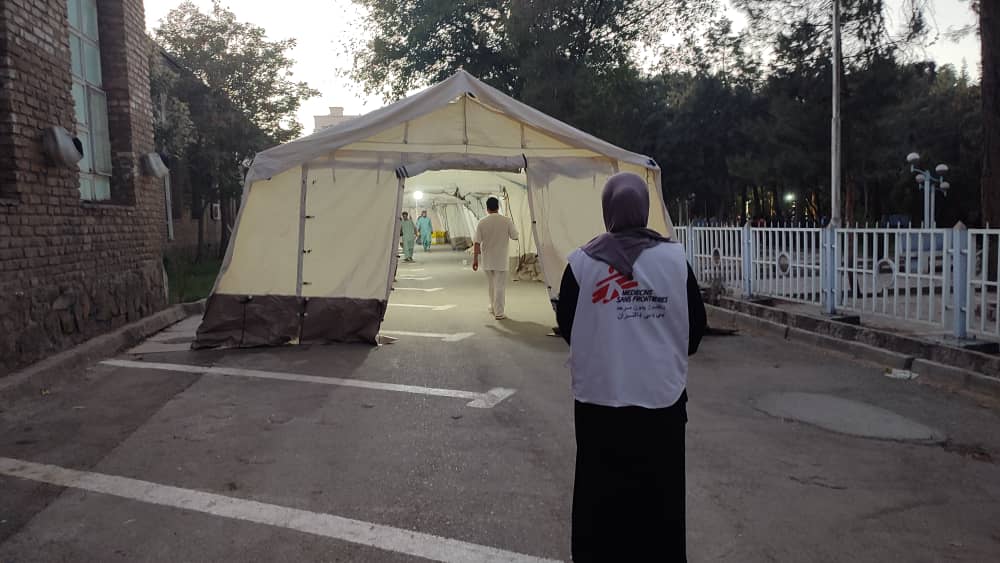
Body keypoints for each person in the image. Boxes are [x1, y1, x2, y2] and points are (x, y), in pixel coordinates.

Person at [555, 172, 706, 563]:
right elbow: (694, 332)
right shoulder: (675, 260)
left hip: (600, 402)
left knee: (599, 497)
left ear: (608, 210)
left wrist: (611, 345)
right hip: (661, 403)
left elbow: (570, 326)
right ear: (644, 208)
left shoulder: (581, 264)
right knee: (661, 499)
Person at [473, 197, 518, 320]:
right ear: (498, 207)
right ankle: (499, 312)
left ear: (487, 209)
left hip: (487, 260)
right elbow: (515, 236)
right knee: (500, 286)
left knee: (491, 285)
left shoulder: (482, 222)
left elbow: (476, 242)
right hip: (501, 260)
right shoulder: (506, 220)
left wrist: (475, 260)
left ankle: (493, 307)